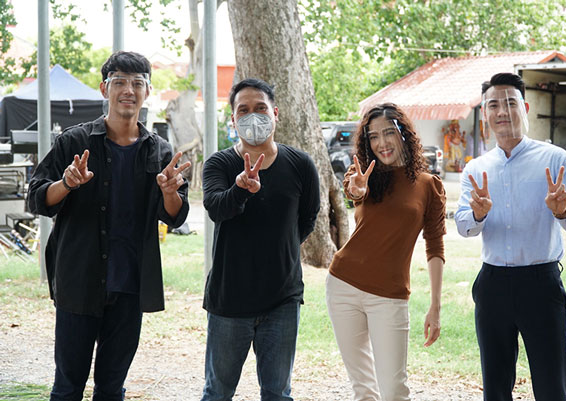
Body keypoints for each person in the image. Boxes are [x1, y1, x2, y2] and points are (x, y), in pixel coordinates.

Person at [28, 51, 190, 401]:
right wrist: (66, 184)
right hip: (79, 282)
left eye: (137, 83)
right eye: (119, 82)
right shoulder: (74, 142)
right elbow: (37, 197)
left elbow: (175, 216)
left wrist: (169, 193)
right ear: (105, 89)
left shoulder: (159, 151)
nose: (128, 90)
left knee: (111, 389)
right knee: (67, 388)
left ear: (148, 91)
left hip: (130, 286)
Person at [455, 72, 566, 401]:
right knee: (495, 387)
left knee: (551, 386)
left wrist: (562, 212)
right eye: (493, 105)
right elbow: (463, 226)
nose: (502, 111)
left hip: (540, 284)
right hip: (492, 285)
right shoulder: (476, 169)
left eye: (510, 103)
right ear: (485, 113)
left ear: (525, 108)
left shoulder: (555, 160)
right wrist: (478, 214)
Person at [201, 78, 320, 400]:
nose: (252, 116)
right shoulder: (219, 164)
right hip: (229, 299)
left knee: (277, 392)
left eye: (260, 108)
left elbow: (308, 218)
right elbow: (216, 208)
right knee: (217, 392)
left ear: (275, 113)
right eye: (243, 110)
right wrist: (240, 188)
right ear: (233, 119)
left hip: (282, 299)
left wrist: (280, 247)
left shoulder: (300, 164)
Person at [326, 103, 446, 401]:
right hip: (343, 285)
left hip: (390, 296)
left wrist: (435, 306)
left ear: (404, 133)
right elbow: (355, 190)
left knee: (394, 391)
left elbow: (435, 245)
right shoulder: (362, 174)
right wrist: (357, 189)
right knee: (364, 390)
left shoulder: (428, 186)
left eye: (388, 133)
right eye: (373, 137)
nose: (381, 143)